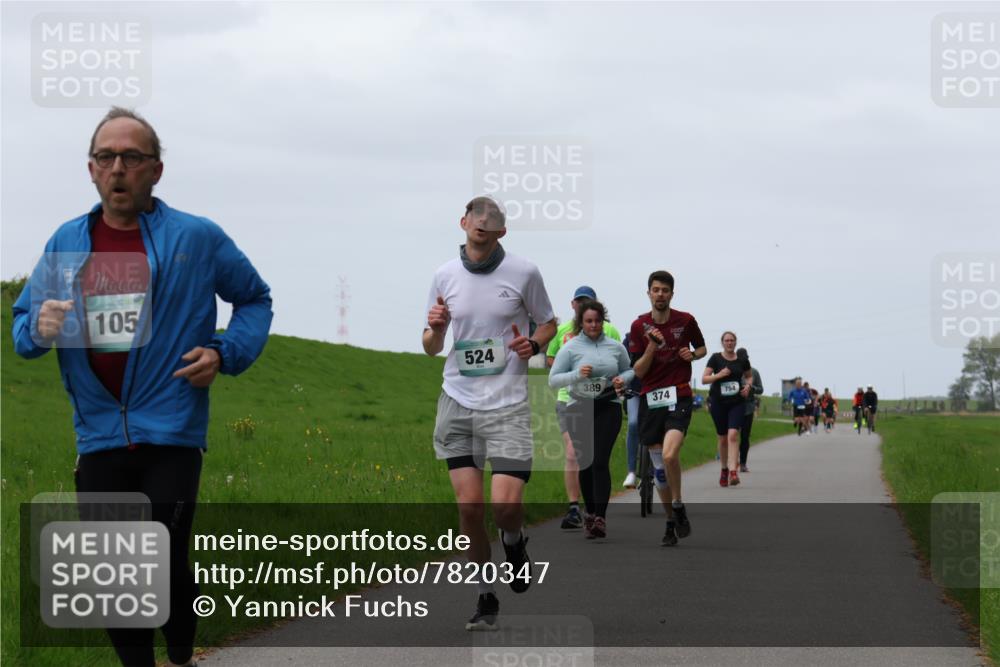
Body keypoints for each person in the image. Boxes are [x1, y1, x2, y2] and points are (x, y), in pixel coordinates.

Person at [11, 107, 273, 667]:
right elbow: (23, 328)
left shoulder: (196, 238)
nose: (118, 168)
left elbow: (254, 299)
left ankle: (181, 648)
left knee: (159, 554)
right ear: (90, 169)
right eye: (106, 157)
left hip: (172, 428)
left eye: (132, 157)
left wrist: (225, 352)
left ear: (156, 169)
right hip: (99, 434)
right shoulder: (67, 242)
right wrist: (38, 326)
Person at [423, 196, 556, 631]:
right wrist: (437, 328)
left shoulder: (524, 272)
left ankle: (514, 542)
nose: (482, 222)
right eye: (475, 215)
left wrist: (533, 345)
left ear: (502, 231)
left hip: (508, 406)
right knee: (468, 509)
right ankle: (485, 596)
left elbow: (548, 323)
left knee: (504, 507)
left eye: (492, 218)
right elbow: (430, 345)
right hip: (457, 401)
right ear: (462, 222)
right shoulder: (444, 275)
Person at [628, 270, 707, 546]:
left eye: (665, 290)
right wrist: (651, 347)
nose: (660, 294)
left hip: (679, 395)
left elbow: (702, 348)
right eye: (655, 289)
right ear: (648, 292)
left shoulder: (685, 321)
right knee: (659, 470)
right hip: (651, 399)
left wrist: (691, 354)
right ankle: (671, 520)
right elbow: (637, 370)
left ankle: (678, 503)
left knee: (671, 455)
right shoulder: (639, 326)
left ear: (672, 294)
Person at [548, 300, 632, 538]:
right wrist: (576, 373)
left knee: (600, 461)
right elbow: (553, 380)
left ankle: (600, 518)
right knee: (585, 462)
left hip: (609, 406)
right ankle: (590, 511)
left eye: (597, 321)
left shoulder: (616, 347)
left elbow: (629, 370)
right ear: (581, 323)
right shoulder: (571, 348)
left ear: (603, 321)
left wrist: (622, 380)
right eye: (589, 321)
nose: (594, 325)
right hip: (579, 406)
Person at [702, 333, 751, 487]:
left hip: (737, 402)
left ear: (736, 342)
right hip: (718, 403)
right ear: (722, 343)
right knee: (723, 438)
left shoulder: (742, 359)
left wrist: (748, 387)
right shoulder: (715, 358)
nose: (729, 343)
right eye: (726, 341)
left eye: (732, 340)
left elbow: (749, 377)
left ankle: (733, 472)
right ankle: (724, 469)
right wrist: (719, 374)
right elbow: (704, 379)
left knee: (733, 434)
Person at [620, 332, 642, 488]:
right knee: (633, 424)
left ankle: (659, 465)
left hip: (657, 391)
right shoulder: (629, 340)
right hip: (634, 390)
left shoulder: (662, 339)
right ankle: (632, 471)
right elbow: (621, 364)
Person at [737, 350, 763, 473]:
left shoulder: (754, 372)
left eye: (744, 358)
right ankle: (731, 461)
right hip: (733, 406)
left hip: (748, 407)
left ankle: (743, 463)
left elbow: (761, 389)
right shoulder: (732, 370)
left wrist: (751, 388)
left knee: (745, 436)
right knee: (731, 435)